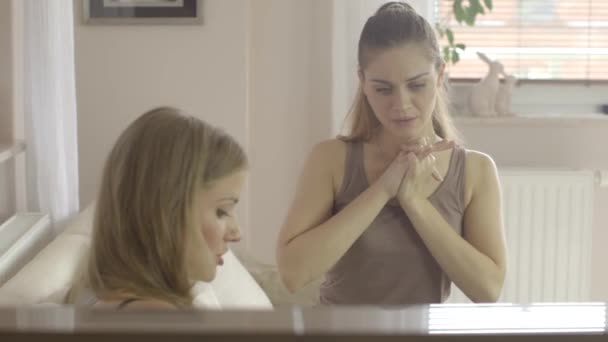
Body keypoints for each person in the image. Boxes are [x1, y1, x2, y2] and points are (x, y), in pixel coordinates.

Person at [276, 2, 507, 306]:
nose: (401, 104)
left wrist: (413, 202)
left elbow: (488, 290)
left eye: (416, 85)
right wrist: (384, 188)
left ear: (439, 76)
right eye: (384, 89)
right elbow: (292, 274)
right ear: (363, 82)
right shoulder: (330, 160)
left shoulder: (476, 171)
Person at [83, 106, 246, 310]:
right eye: (221, 211)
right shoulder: (156, 318)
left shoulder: (121, 307)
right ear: (168, 214)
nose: (237, 233)